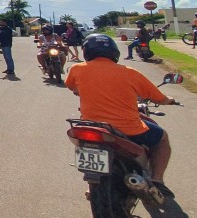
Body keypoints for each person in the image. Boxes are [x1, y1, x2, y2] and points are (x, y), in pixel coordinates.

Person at [65, 34, 179, 198]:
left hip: (92, 127)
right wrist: (168, 100)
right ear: (113, 52)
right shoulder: (131, 73)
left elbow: (72, 87)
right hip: (129, 130)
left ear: (86, 51)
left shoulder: (77, 69)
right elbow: (158, 98)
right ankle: (157, 179)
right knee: (161, 138)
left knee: (91, 151)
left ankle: (92, 184)